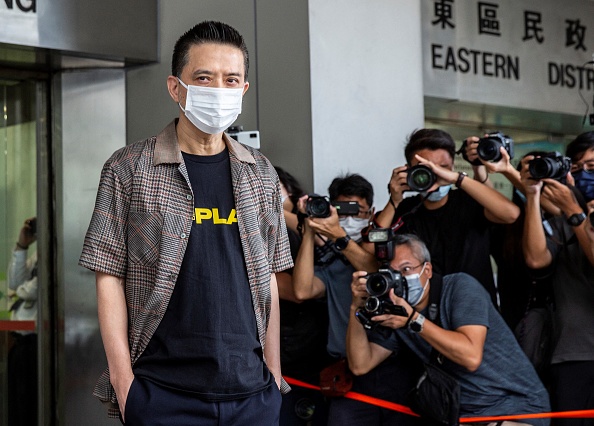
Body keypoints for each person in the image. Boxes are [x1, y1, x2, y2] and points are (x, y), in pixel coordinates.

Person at [79, 21, 293, 425]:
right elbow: (108, 276)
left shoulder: (260, 172)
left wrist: (273, 373)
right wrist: (126, 388)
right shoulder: (129, 168)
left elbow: (268, 281)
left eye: (231, 80)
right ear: (176, 88)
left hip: (253, 396)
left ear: (244, 91)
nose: (219, 90)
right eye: (204, 78)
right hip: (163, 394)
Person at [347, 233, 551, 426]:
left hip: (517, 407)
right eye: (392, 274)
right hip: (464, 415)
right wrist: (356, 306)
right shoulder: (396, 311)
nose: (399, 279)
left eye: (406, 269)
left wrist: (413, 320)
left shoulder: (459, 287)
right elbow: (361, 364)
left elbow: (470, 357)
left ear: (427, 270)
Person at [292, 174, 422, 426]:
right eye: (343, 211)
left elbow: (373, 268)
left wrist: (339, 235)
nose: (350, 220)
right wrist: (309, 230)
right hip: (346, 369)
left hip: (392, 366)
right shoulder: (333, 263)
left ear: (371, 214)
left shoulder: (389, 249)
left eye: (358, 212)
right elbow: (301, 291)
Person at [369, 129, 520, 305]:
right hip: (423, 313)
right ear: (409, 170)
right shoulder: (405, 210)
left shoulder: (469, 200)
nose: (436, 175)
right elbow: (368, 253)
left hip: (474, 310)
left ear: (453, 168)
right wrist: (394, 200)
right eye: (427, 169)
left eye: (443, 168)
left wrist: (457, 179)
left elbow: (511, 214)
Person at [521, 131, 594, 426]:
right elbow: (536, 258)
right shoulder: (564, 220)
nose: (584, 175)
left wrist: (575, 213)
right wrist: (532, 195)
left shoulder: (571, 215)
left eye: (592, 166)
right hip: (571, 355)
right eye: (577, 168)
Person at [274, 166, 331, 426]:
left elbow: (329, 245)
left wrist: (301, 217)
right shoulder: (255, 229)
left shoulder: (304, 222)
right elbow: (296, 291)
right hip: (281, 352)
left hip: (318, 349)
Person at [7, 217, 38, 426]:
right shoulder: (37, 255)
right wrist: (22, 246)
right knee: (17, 410)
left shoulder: (59, 253)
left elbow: (34, 288)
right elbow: (15, 281)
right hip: (19, 343)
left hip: (36, 345)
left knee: (30, 409)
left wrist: (18, 291)